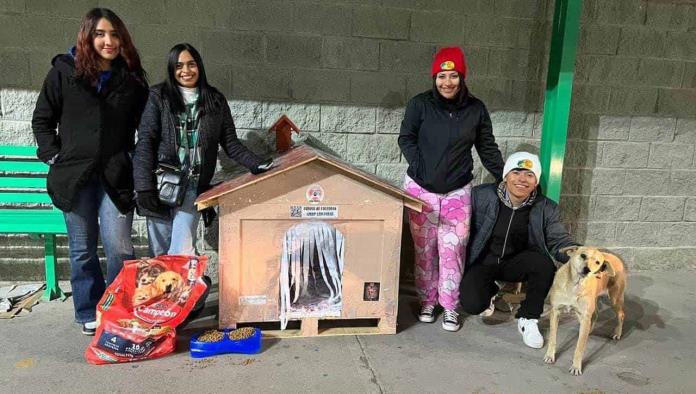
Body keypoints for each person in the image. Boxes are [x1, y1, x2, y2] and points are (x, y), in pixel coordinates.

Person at [32, 8, 148, 336]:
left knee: (120, 247)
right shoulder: (63, 72)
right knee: (82, 249)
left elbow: (146, 128)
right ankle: (87, 311)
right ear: (87, 36)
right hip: (75, 178)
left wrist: (137, 161)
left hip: (116, 176)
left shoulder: (131, 78)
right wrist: (54, 155)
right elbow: (42, 120)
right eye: (100, 34)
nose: (108, 41)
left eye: (114, 35)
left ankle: (119, 308)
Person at [398, 47, 504, 332]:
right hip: (420, 190)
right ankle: (427, 301)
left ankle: (449, 306)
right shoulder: (419, 105)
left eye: (453, 75)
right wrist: (420, 167)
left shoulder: (476, 109)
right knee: (425, 250)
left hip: (457, 191)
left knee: (453, 249)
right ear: (434, 77)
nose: (447, 82)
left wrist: (504, 177)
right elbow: (405, 138)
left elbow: (487, 147)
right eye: (442, 76)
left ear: (462, 77)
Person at [133, 43, 273, 258]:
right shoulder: (158, 96)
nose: (186, 71)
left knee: (181, 252)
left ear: (199, 66)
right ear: (172, 69)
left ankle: (188, 288)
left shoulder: (215, 100)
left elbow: (230, 142)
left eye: (191, 64)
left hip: (192, 186)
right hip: (160, 184)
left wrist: (256, 163)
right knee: (160, 255)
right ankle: (175, 291)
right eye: (179, 66)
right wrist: (143, 187)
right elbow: (145, 142)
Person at [459, 151, 578, 348]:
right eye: (516, 172)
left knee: (544, 265)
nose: (522, 179)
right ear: (505, 176)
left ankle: (528, 318)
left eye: (529, 175)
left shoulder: (546, 208)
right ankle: (493, 290)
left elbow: (559, 241)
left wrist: (581, 254)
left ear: (536, 182)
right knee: (472, 304)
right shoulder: (481, 196)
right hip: (484, 261)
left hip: (517, 262)